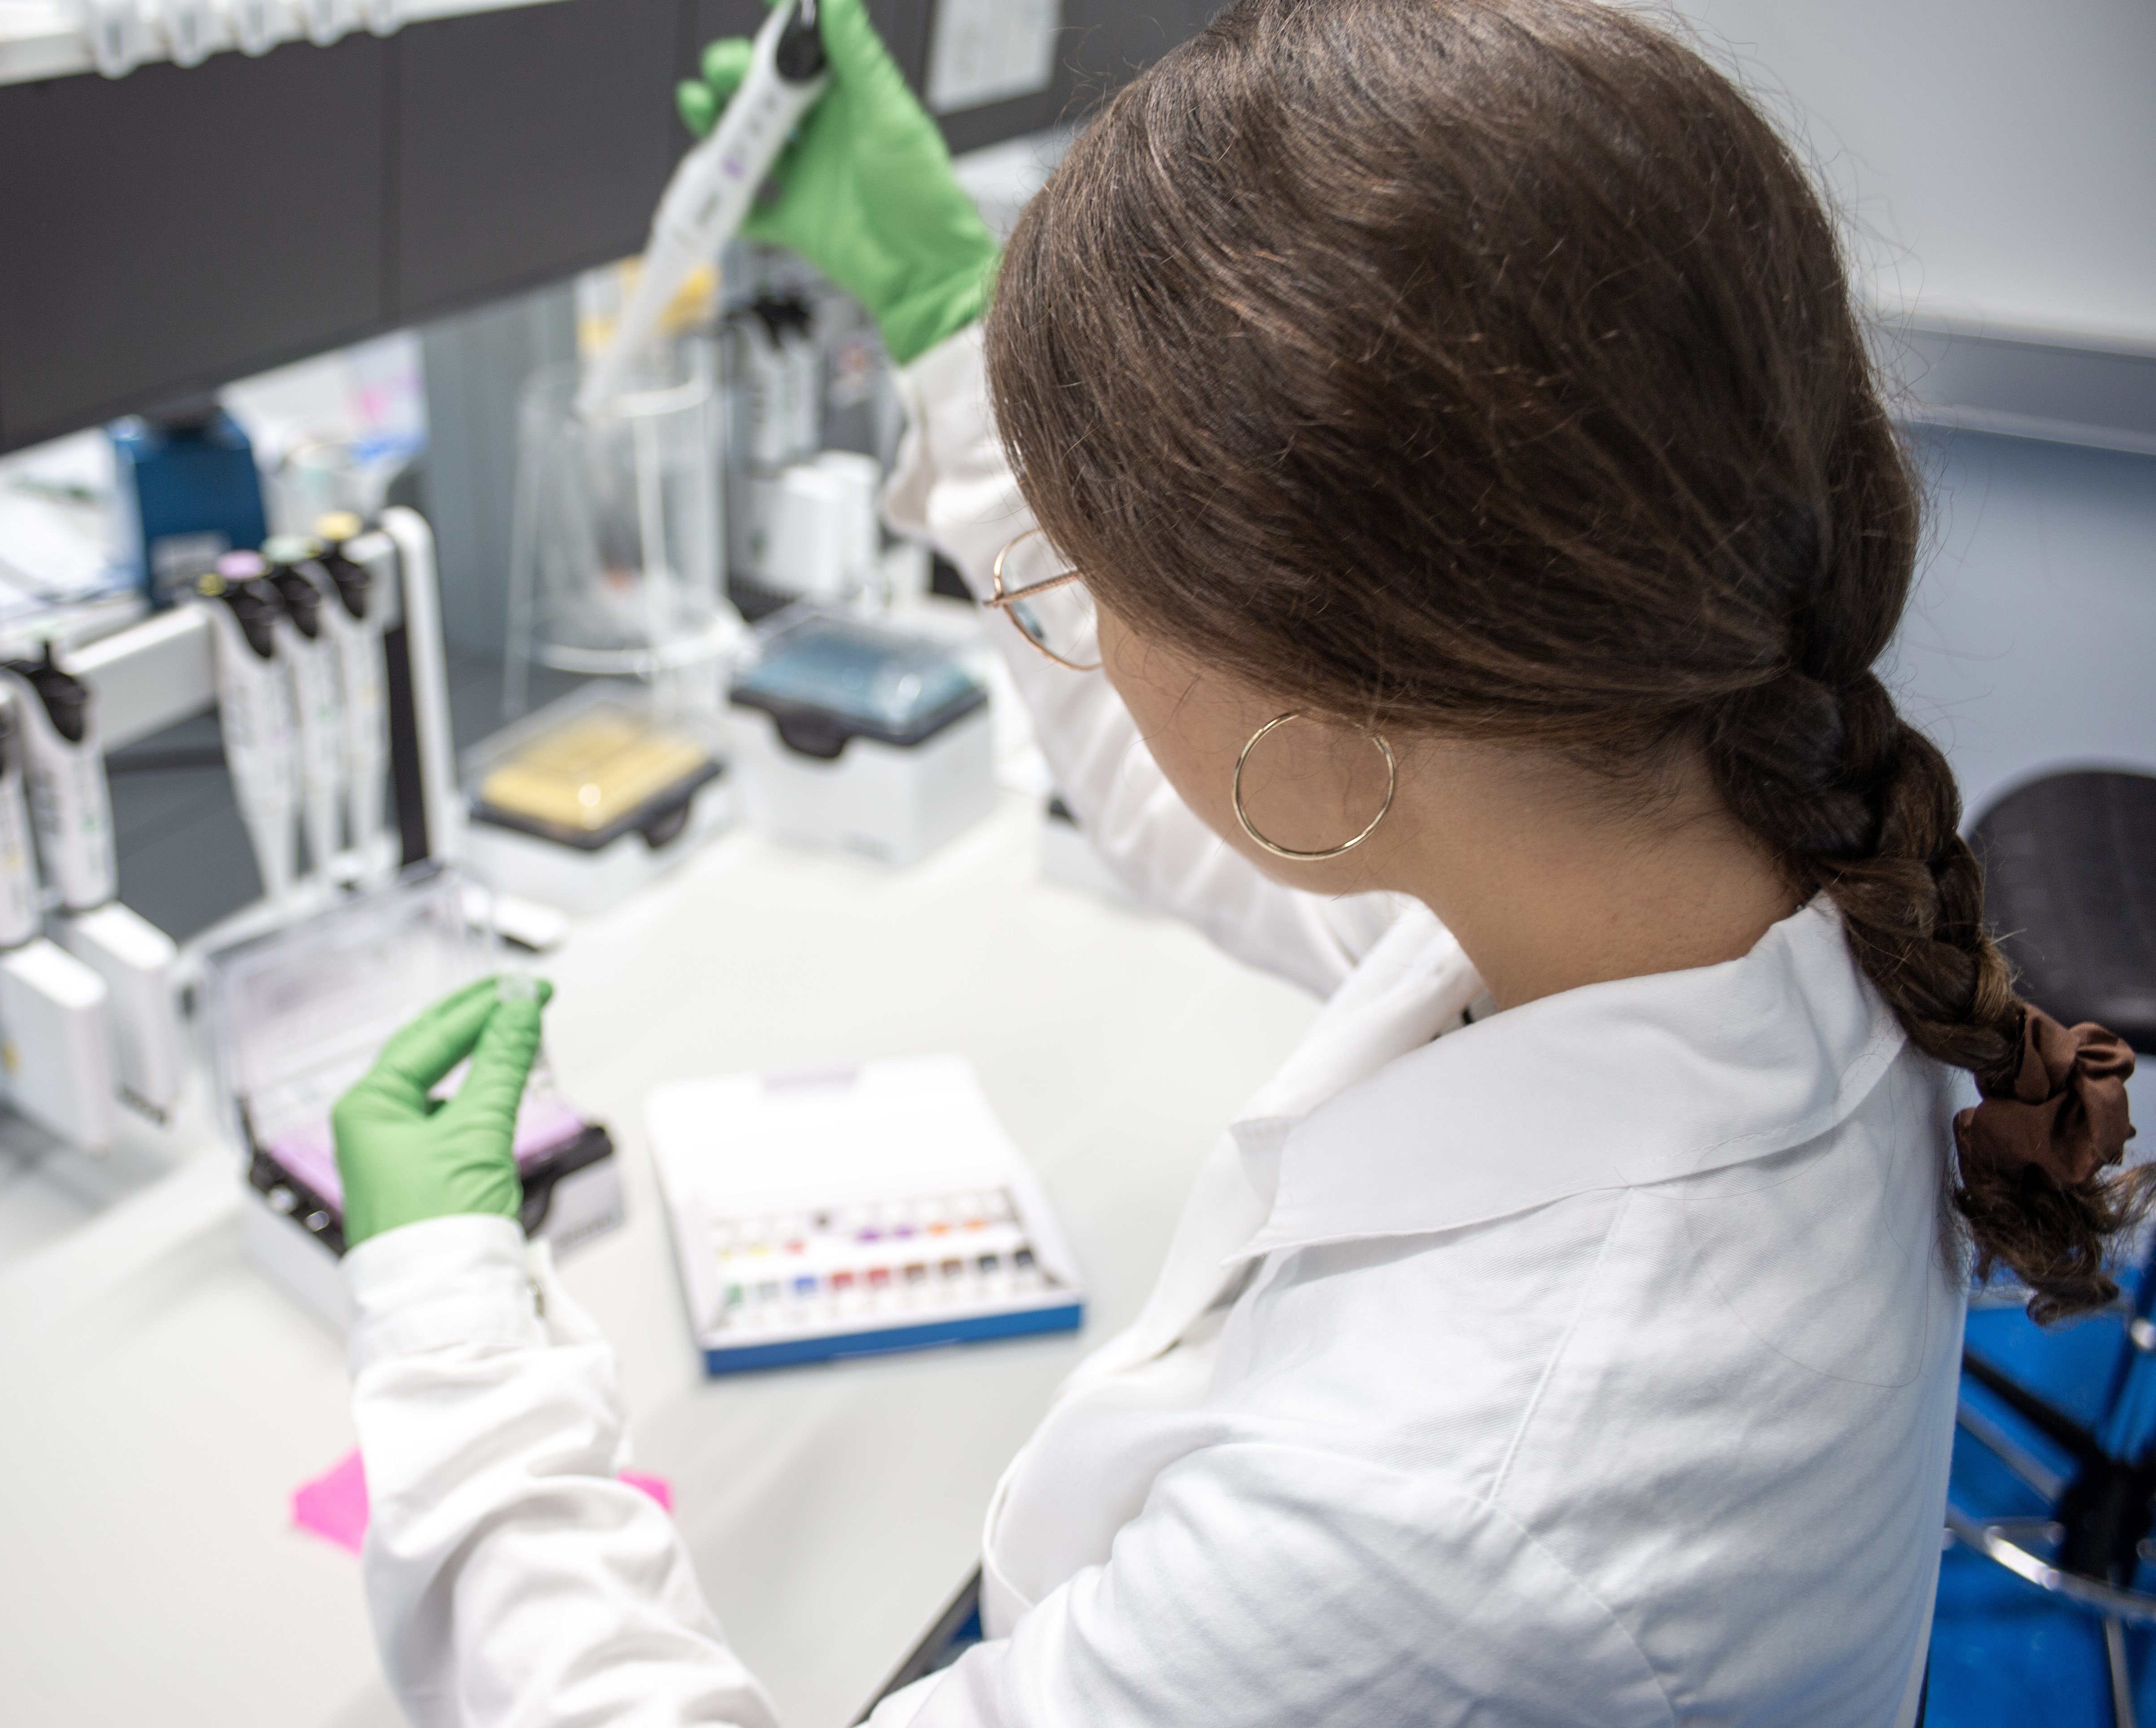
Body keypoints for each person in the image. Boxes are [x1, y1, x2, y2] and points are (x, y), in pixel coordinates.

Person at [324, 0, 2144, 1720]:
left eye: (1081, 586)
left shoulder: (1450, 1512)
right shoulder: (1741, 861)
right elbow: (1286, 842)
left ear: (1326, 725)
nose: (1073, 619)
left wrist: (453, 1336)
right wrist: (945, 307)